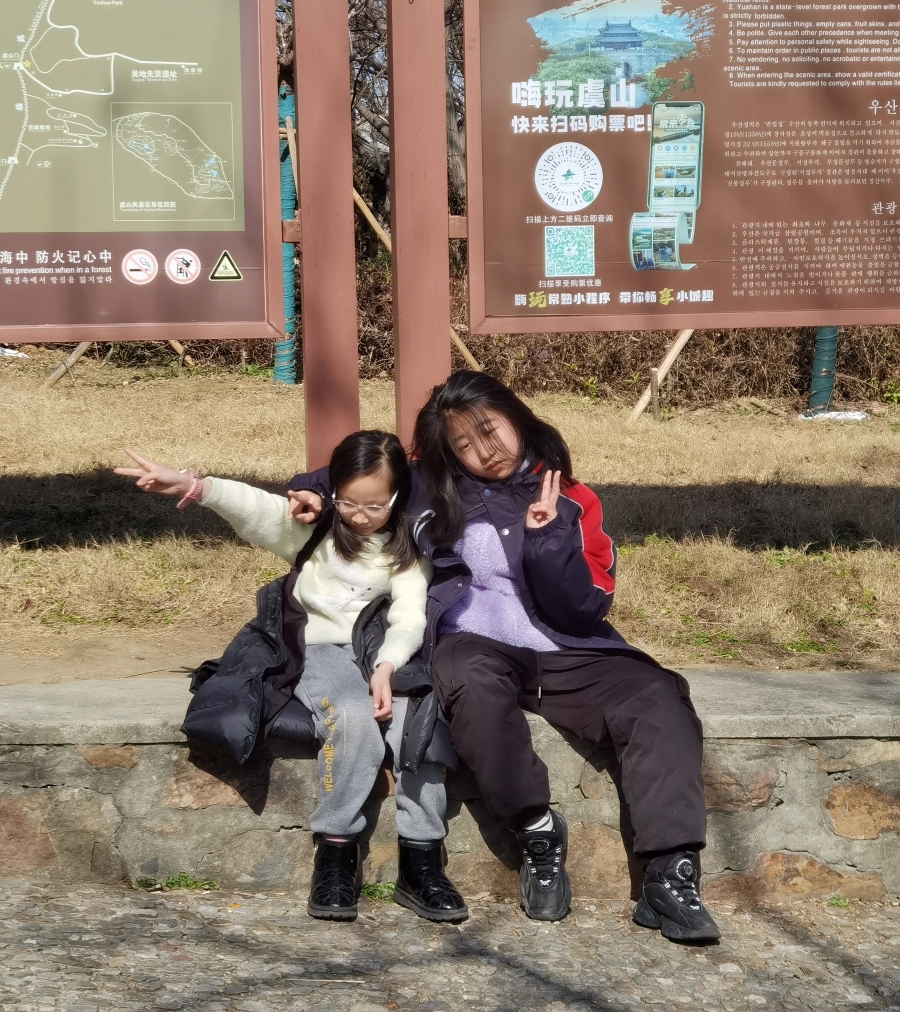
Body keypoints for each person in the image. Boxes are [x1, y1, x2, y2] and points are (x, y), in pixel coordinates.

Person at [287, 375, 719, 942]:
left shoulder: (573, 498)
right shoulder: (430, 485)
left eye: (489, 431)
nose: (482, 452)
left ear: (516, 418)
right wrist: (313, 492)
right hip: (475, 644)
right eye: (463, 444)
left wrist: (547, 540)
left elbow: (586, 608)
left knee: (656, 695)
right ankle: (536, 830)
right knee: (468, 682)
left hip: (568, 646)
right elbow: (361, 473)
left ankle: (670, 873)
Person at [115, 430, 467, 925]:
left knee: (420, 726)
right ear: (334, 490)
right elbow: (254, 508)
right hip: (318, 650)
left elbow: (409, 617)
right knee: (351, 718)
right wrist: (193, 486)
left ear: (397, 496)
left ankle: (421, 860)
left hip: (382, 655)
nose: (360, 516)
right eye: (349, 501)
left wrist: (387, 666)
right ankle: (336, 852)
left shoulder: (408, 549)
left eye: (375, 505)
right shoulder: (315, 530)